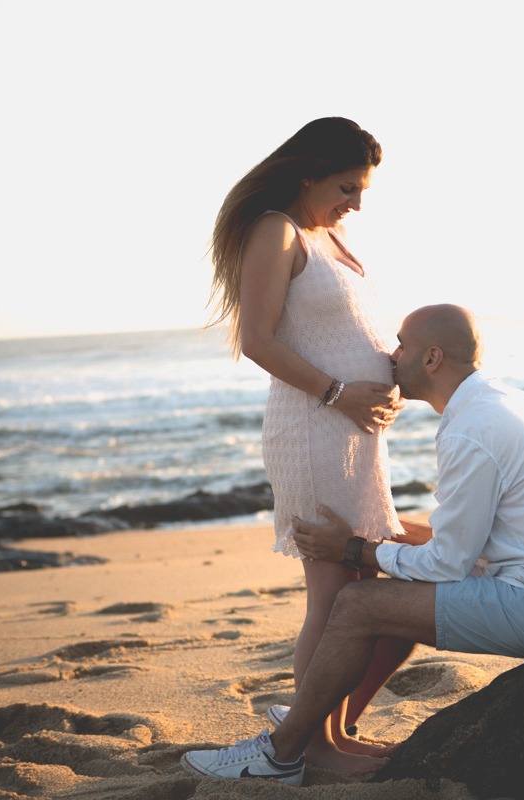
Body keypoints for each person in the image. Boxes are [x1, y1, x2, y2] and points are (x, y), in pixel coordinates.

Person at [182, 304, 524, 785]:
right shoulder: (502, 405)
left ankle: (280, 755)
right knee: (397, 597)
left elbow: (448, 563)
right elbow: (466, 542)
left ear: (432, 358)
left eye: (400, 345)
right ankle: (328, 728)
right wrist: (378, 531)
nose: (389, 357)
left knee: (359, 604)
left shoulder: (472, 430)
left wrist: (353, 550)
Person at [206, 117, 423, 773]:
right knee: (332, 596)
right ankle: (316, 747)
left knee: (364, 586)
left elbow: (348, 331)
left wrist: (391, 381)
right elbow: (258, 340)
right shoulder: (276, 230)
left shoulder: (331, 233)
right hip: (313, 431)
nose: (355, 202)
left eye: (361, 190)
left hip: (355, 435)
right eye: (346, 187)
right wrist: (339, 393)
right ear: (308, 175)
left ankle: (333, 728)